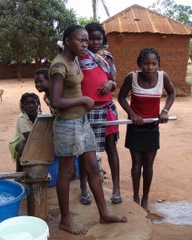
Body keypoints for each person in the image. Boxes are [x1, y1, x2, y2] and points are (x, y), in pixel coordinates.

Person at [49, 24, 127, 235]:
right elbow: (55, 100)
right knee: (66, 172)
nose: (85, 44)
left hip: (82, 122)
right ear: (67, 42)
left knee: (93, 168)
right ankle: (66, 220)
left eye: (86, 40)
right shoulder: (59, 66)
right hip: (67, 125)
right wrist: (84, 99)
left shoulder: (75, 60)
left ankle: (104, 213)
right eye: (81, 40)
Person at [118, 47, 175, 211]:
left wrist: (165, 111)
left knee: (148, 164)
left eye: (153, 64)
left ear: (158, 65)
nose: (149, 67)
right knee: (136, 164)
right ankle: (135, 196)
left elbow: (172, 93)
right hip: (135, 127)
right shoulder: (132, 77)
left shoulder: (163, 77)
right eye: (145, 63)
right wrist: (132, 114)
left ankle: (145, 198)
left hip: (152, 127)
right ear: (139, 64)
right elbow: (121, 96)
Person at [79, 22, 122, 205]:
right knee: (84, 152)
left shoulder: (107, 57)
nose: (95, 42)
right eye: (91, 39)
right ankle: (84, 188)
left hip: (106, 108)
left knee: (111, 148)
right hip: (85, 110)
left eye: (98, 38)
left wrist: (110, 84)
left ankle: (116, 189)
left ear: (103, 39)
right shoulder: (79, 58)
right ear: (85, 40)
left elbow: (113, 81)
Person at [9, 92, 42, 172]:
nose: (31, 106)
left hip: (37, 140)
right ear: (22, 107)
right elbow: (29, 138)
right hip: (20, 141)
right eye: (27, 104)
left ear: (38, 104)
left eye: (33, 103)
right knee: (23, 146)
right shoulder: (22, 118)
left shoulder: (42, 116)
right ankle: (18, 172)